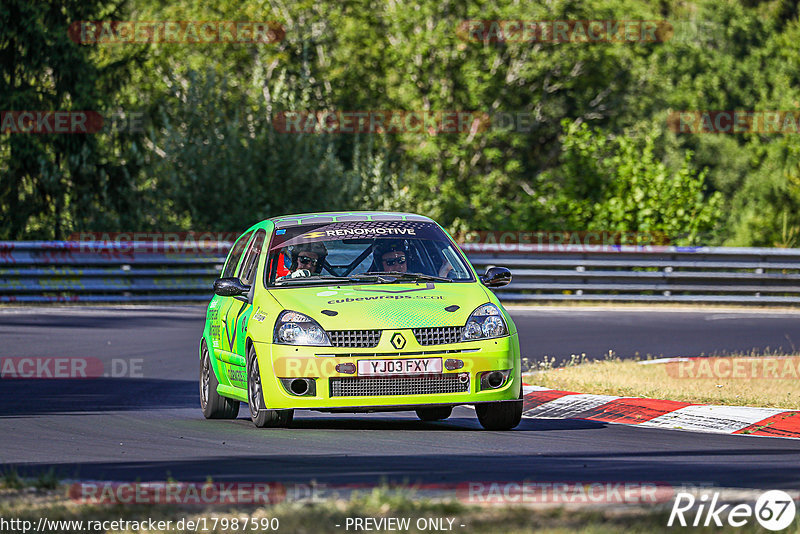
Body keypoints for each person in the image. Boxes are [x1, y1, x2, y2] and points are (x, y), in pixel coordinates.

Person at [371, 240, 453, 277]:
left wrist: (444, 272)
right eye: (390, 262)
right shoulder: (369, 285)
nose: (397, 266)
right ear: (380, 264)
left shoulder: (421, 280)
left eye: (401, 260)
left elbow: (437, 289)